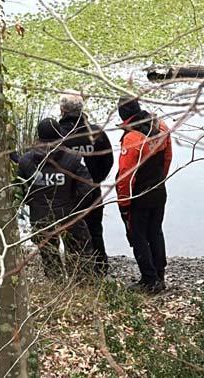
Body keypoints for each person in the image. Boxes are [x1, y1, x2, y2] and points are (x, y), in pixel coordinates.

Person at [18, 118, 95, 279]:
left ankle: (57, 283)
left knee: (49, 256)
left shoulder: (26, 160)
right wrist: (76, 206)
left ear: (38, 135)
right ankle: (82, 285)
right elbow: (87, 188)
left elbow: (19, 190)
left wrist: (33, 203)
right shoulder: (72, 158)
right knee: (79, 252)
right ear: (59, 133)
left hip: (40, 216)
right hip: (69, 214)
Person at [116, 96, 172, 294]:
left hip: (139, 196)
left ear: (122, 114)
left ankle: (149, 280)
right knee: (156, 231)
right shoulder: (161, 127)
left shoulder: (132, 138)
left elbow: (125, 176)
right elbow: (167, 158)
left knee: (138, 236)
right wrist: (160, 180)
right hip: (158, 189)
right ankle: (159, 274)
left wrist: (123, 204)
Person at [58, 91, 114, 275]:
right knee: (95, 228)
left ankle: (77, 270)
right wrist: (96, 179)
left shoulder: (58, 134)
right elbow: (108, 160)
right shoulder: (96, 132)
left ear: (62, 110)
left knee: (71, 231)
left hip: (66, 193)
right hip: (93, 189)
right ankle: (100, 265)